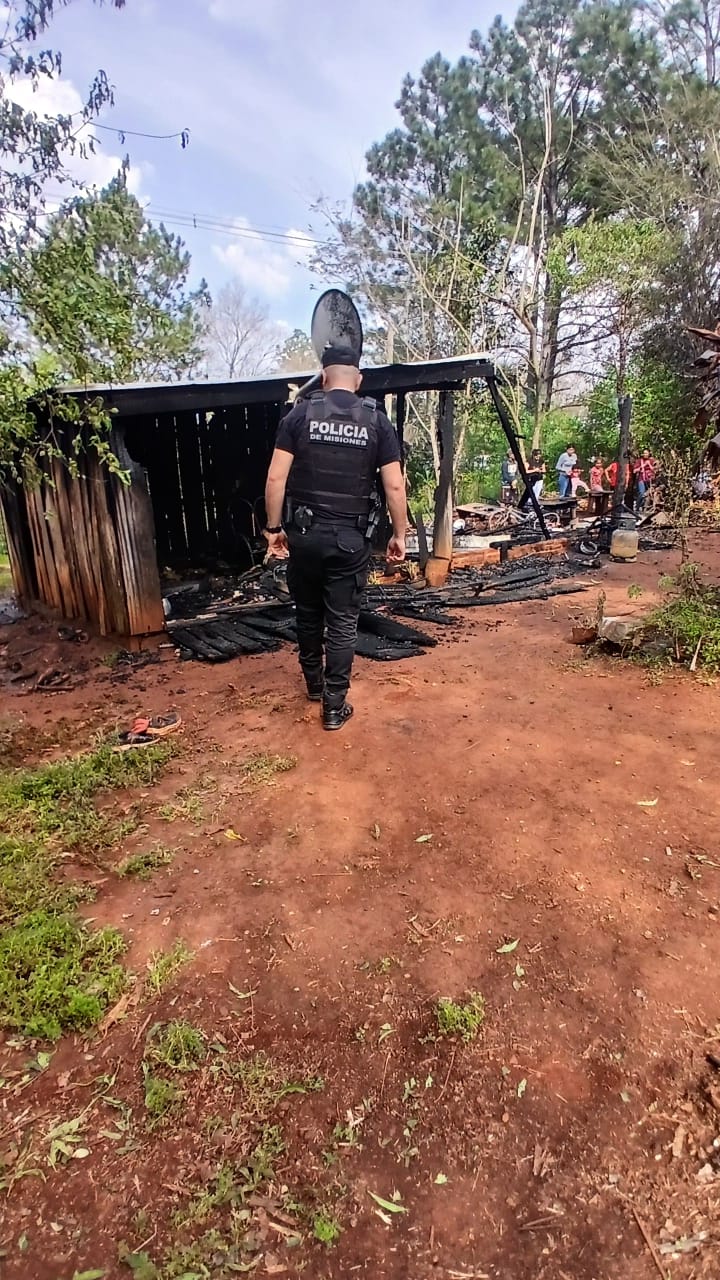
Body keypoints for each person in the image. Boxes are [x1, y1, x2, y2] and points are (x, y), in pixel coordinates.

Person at [263, 344, 407, 731]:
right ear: (358, 380)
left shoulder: (300, 415)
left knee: (308, 613)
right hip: (350, 540)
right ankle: (333, 706)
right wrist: (399, 534)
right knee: (343, 622)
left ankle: (313, 685)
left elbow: (275, 478)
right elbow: (395, 487)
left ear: (324, 377)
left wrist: (274, 530)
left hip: (305, 537)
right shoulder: (376, 421)